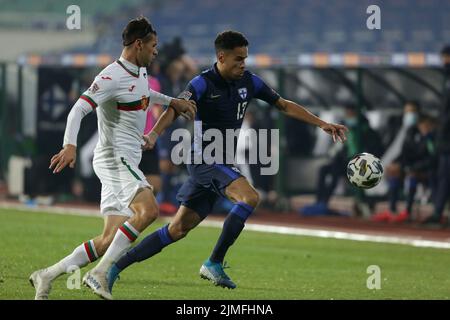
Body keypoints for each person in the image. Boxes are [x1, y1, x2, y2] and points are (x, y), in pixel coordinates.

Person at [103, 30, 348, 299]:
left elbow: (283, 105)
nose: (243, 64)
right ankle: (214, 263)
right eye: (238, 59)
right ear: (221, 57)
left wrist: (322, 123)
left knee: (177, 229)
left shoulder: (250, 82)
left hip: (220, 164)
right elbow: (175, 108)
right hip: (204, 161)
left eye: (245, 58)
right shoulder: (202, 83)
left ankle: (114, 267)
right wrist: (153, 134)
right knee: (249, 197)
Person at [28, 17, 196, 300]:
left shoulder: (139, 71)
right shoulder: (109, 77)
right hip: (114, 159)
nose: (156, 51)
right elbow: (77, 110)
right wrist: (70, 144)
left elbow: (145, 93)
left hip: (126, 159)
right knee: (149, 211)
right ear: (138, 44)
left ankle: (46, 275)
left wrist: (171, 101)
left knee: (108, 240)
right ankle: (99, 274)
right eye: (153, 45)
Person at [301, 103, 383, 216]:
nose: (348, 117)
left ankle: (326, 202)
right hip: (345, 163)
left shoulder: (368, 132)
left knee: (335, 171)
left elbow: (376, 150)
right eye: (347, 114)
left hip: (362, 165)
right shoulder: (346, 131)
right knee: (324, 169)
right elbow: (342, 149)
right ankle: (320, 201)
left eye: (351, 114)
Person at [373, 114, 437, 223]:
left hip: (430, 171)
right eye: (422, 126)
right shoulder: (413, 135)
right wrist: (398, 164)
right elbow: (406, 154)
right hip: (413, 168)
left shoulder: (434, 139)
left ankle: (408, 211)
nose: (424, 128)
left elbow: (433, 159)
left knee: (412, 176)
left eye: (426, 126)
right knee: (394, 172)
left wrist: (413, 168)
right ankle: (392, 209)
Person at [421, 45, 450, 225]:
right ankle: (438, 210)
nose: (444, 61)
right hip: (445, 139)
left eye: (446, 57)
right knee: (440, 174)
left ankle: (438, 212)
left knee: (444, 175)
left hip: (447, 139)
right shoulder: (446, 78)